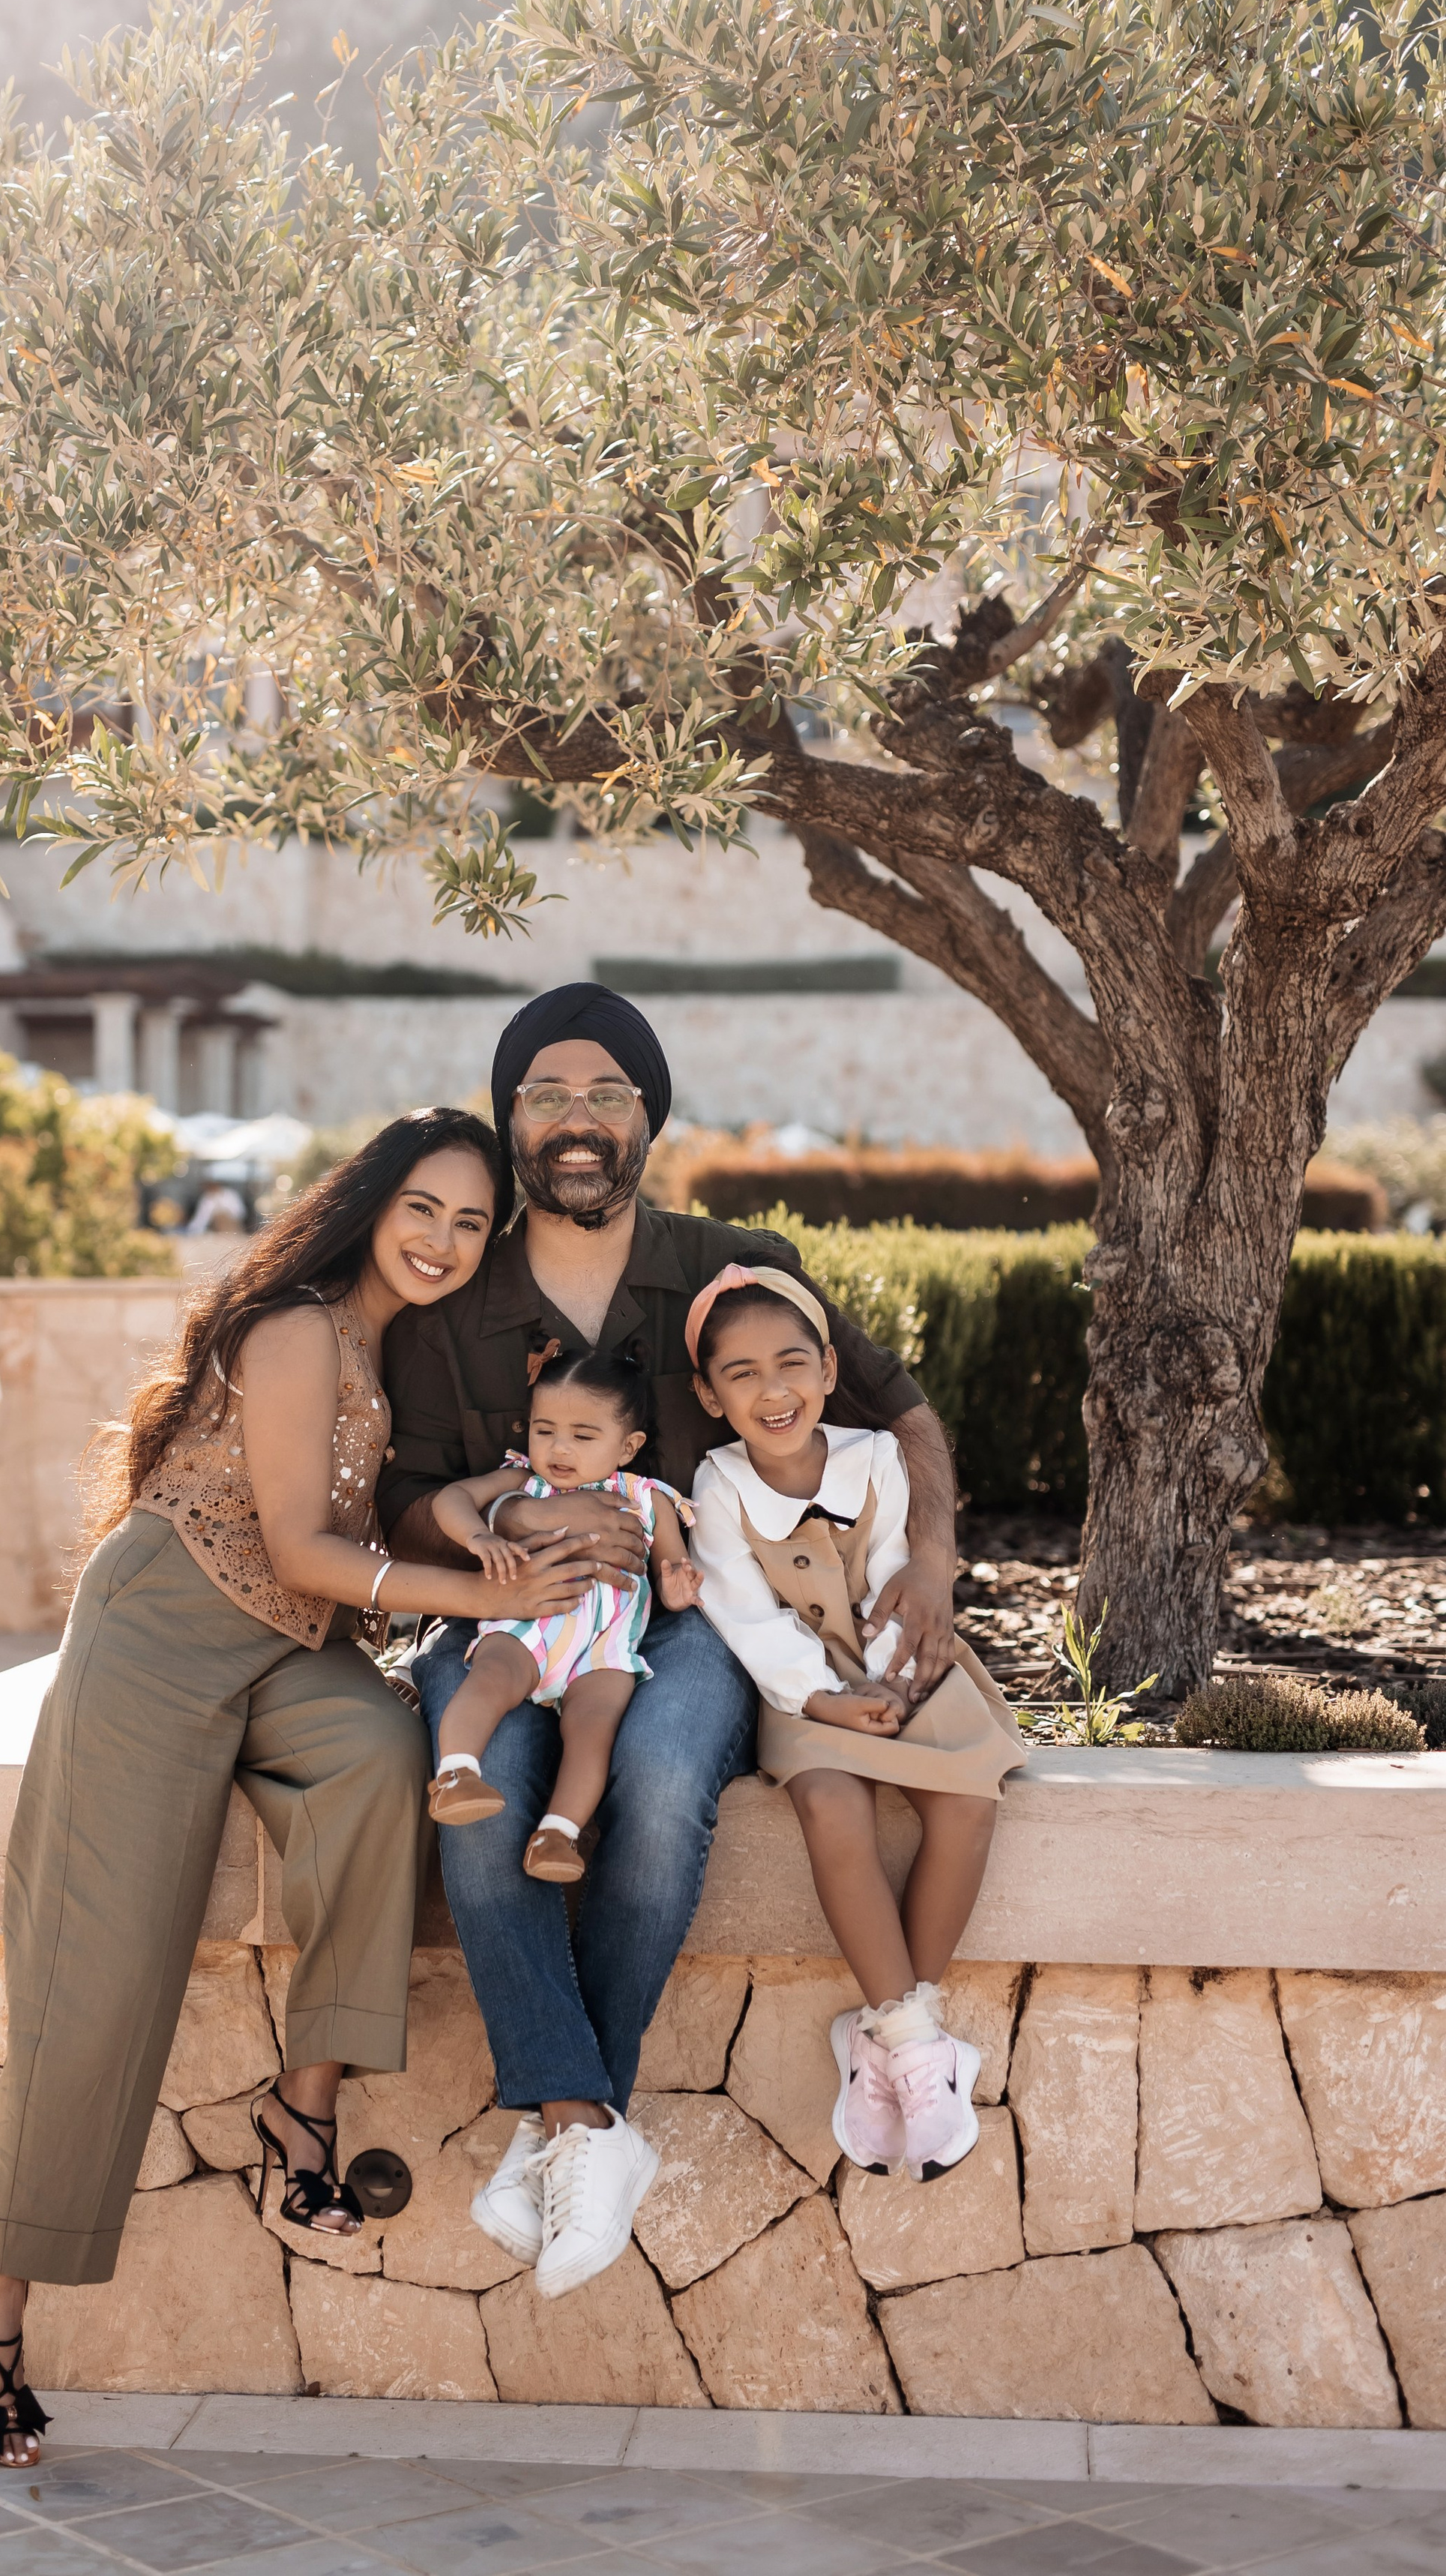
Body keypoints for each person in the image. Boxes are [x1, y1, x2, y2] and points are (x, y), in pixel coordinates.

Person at [0, 1109, 591, 2466]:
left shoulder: (386, 1344)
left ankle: (307, 2098)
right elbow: (297, 1543)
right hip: (163, 1636)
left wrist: (484, 1504)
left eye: (471, 1223)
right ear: (369, 1201)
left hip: (286, 1656)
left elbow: (378, 1515)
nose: (445, 1242)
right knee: (102, 1971)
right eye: (425, 1208)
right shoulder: (295, 1327)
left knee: (379, 1760)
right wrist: (484, 1590)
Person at [385, 981, 960, 2295]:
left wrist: (926, 1556)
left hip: (691, 1618)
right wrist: (510, 1521)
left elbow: (902, 1412)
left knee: (655, 1782)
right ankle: (587, 2126)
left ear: (648, 1115)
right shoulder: (456, 1301)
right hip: (502, 1617)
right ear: (511, 1118)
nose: (577, 1119)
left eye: (606, 1093)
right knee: (477, 1805)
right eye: (546, 1093)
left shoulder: (729, 1265)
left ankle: (563, 2122)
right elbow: (396, 1507)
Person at [687, 1264, 1025, 2179]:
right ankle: (919, 2046)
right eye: (742, 1374)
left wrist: (889, 1687)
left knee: (967, 1798)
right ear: (708, 1395)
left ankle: (884, 2039)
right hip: (803, 1689)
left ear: (830, 1370)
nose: (773, 1390)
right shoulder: (715, 1488)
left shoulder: (875, 1458)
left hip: (902, 1664)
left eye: (792, 1363)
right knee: (831, 1803)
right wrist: (827, 1699)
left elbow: (891, 1581)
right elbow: (744, 1617)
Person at [426, 1339, 702, 1892]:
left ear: (629, 1445)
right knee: (491, 1677)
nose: (559, 1447)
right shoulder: (523, 1481)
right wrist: (480, 1533)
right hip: (528, 1623)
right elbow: (449, 1500)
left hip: (603, 1649)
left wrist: (675, 1590)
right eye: (544, 1428)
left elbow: (673, 1566)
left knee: (593, 1732)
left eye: (583, 1435)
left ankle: (558, 1831)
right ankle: (456, 1772)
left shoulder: (648, 1498)